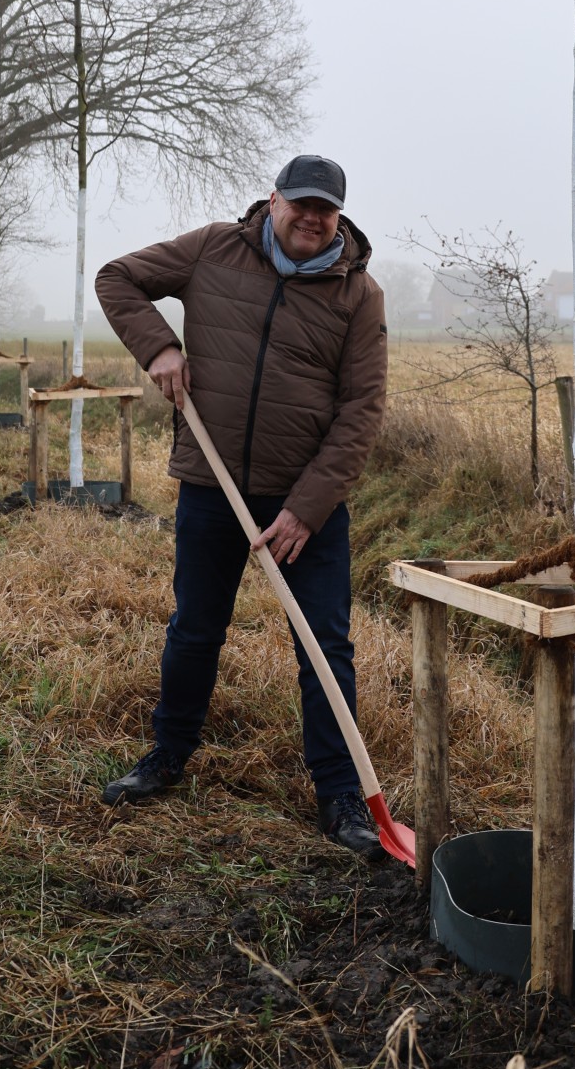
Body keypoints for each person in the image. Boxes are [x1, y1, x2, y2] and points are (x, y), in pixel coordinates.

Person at [94, 155, 389, 861]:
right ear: (274, 199)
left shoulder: (358, 295)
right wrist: (159, 347)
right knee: (196, 628)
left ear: (339, 217)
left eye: (327, 209)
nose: (313, 219)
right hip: (211, 481)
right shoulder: (212, 249)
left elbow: (361, 412)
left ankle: (341, 792)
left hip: (304, 503)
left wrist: (307, 510)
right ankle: (167, 755)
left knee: (325, 645)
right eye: (302, 204)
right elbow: (118, 279)